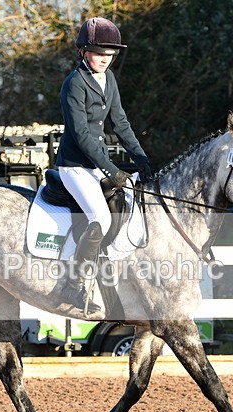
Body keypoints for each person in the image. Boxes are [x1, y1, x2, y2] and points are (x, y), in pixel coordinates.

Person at [55, 16, 152, 313]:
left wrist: (141, 158)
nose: (105, 60)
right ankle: (74, 286)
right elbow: (82, 135)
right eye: (99, 53)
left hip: (97, 164)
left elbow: (120, 122)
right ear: (83, 52)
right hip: (75, 166)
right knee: (101, 217)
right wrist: (113, 170)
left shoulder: (108, 79)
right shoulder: (74, 84)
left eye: (110, 55)